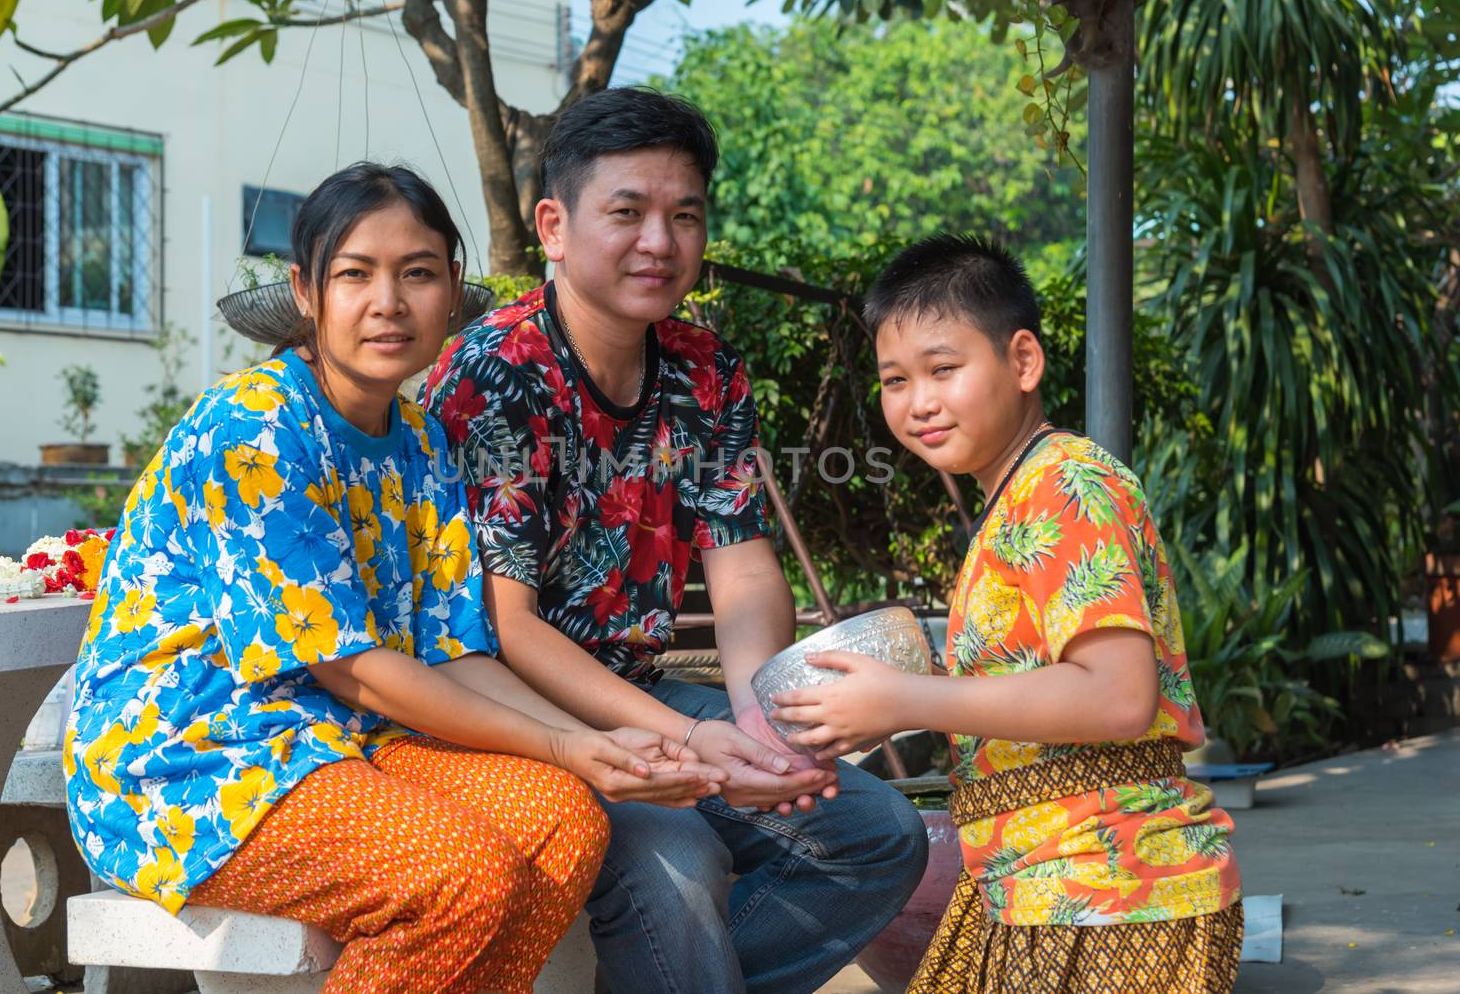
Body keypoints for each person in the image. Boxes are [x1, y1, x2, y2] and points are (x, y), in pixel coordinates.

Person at [64, 162, 723, 994]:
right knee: (460, 875)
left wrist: (600, 747)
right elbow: (353, 666)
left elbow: (455, 652)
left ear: (452, 287)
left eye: (416, 273)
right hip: (192, 763)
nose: (388, 301)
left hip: (339, 741)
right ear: (306, 290)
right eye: (355, 274)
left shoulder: (417, 438)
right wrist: (568, 744)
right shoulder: (256, 428)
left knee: (562, 820)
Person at [424, 88, 929, 994]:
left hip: (643, 692)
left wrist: (756, 723)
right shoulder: (495, 371)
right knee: (681, 863)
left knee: (875, 834)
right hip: (514, 718)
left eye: (683, 215)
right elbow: (508, 625)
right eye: (627, 212)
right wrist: (691, 749)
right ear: (552, 224)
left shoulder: (706, 368)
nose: (660, 241)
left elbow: (739, 564)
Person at [771, 233, 1244, 993]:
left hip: (1109, 888)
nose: (917, 401)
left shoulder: (1066, 483)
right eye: (895, 379)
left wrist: (901, 699)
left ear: (1022, 361)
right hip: (1040, 882)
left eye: (943, 369)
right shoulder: (1014, 497)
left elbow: (1119, 695)